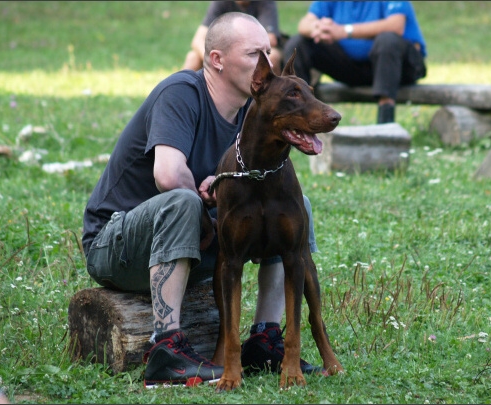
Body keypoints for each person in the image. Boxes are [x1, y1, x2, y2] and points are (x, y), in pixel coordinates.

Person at [82, 12, 322, 388]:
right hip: (117, 245)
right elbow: (167, 174)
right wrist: (208, 209)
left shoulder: (253, 110)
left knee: (292, 207)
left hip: (192, 246)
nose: (266, 64)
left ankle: (264, 338)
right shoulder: (181, 92)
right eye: (254, 54)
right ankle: (166, 349)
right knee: (183, 201)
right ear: (217, 60)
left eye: (268, 53)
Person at [283, 1, 427, 124]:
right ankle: (300, 119)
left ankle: (385, 126)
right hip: (353, 68)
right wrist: (317, 28)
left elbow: (396, 25)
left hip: (401, 68)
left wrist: (345, 31)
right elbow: (304, 23)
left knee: (388, 40)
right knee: (298, 43)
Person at [182, 1, 284, 75]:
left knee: (272, 57)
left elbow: (270, 39)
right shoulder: (221, 3)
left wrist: (239, 50)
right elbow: (197, 40)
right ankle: (177, 93)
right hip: (224, 52)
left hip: (252, 51)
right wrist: (211, 59)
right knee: (193, 57)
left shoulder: (265, 3)